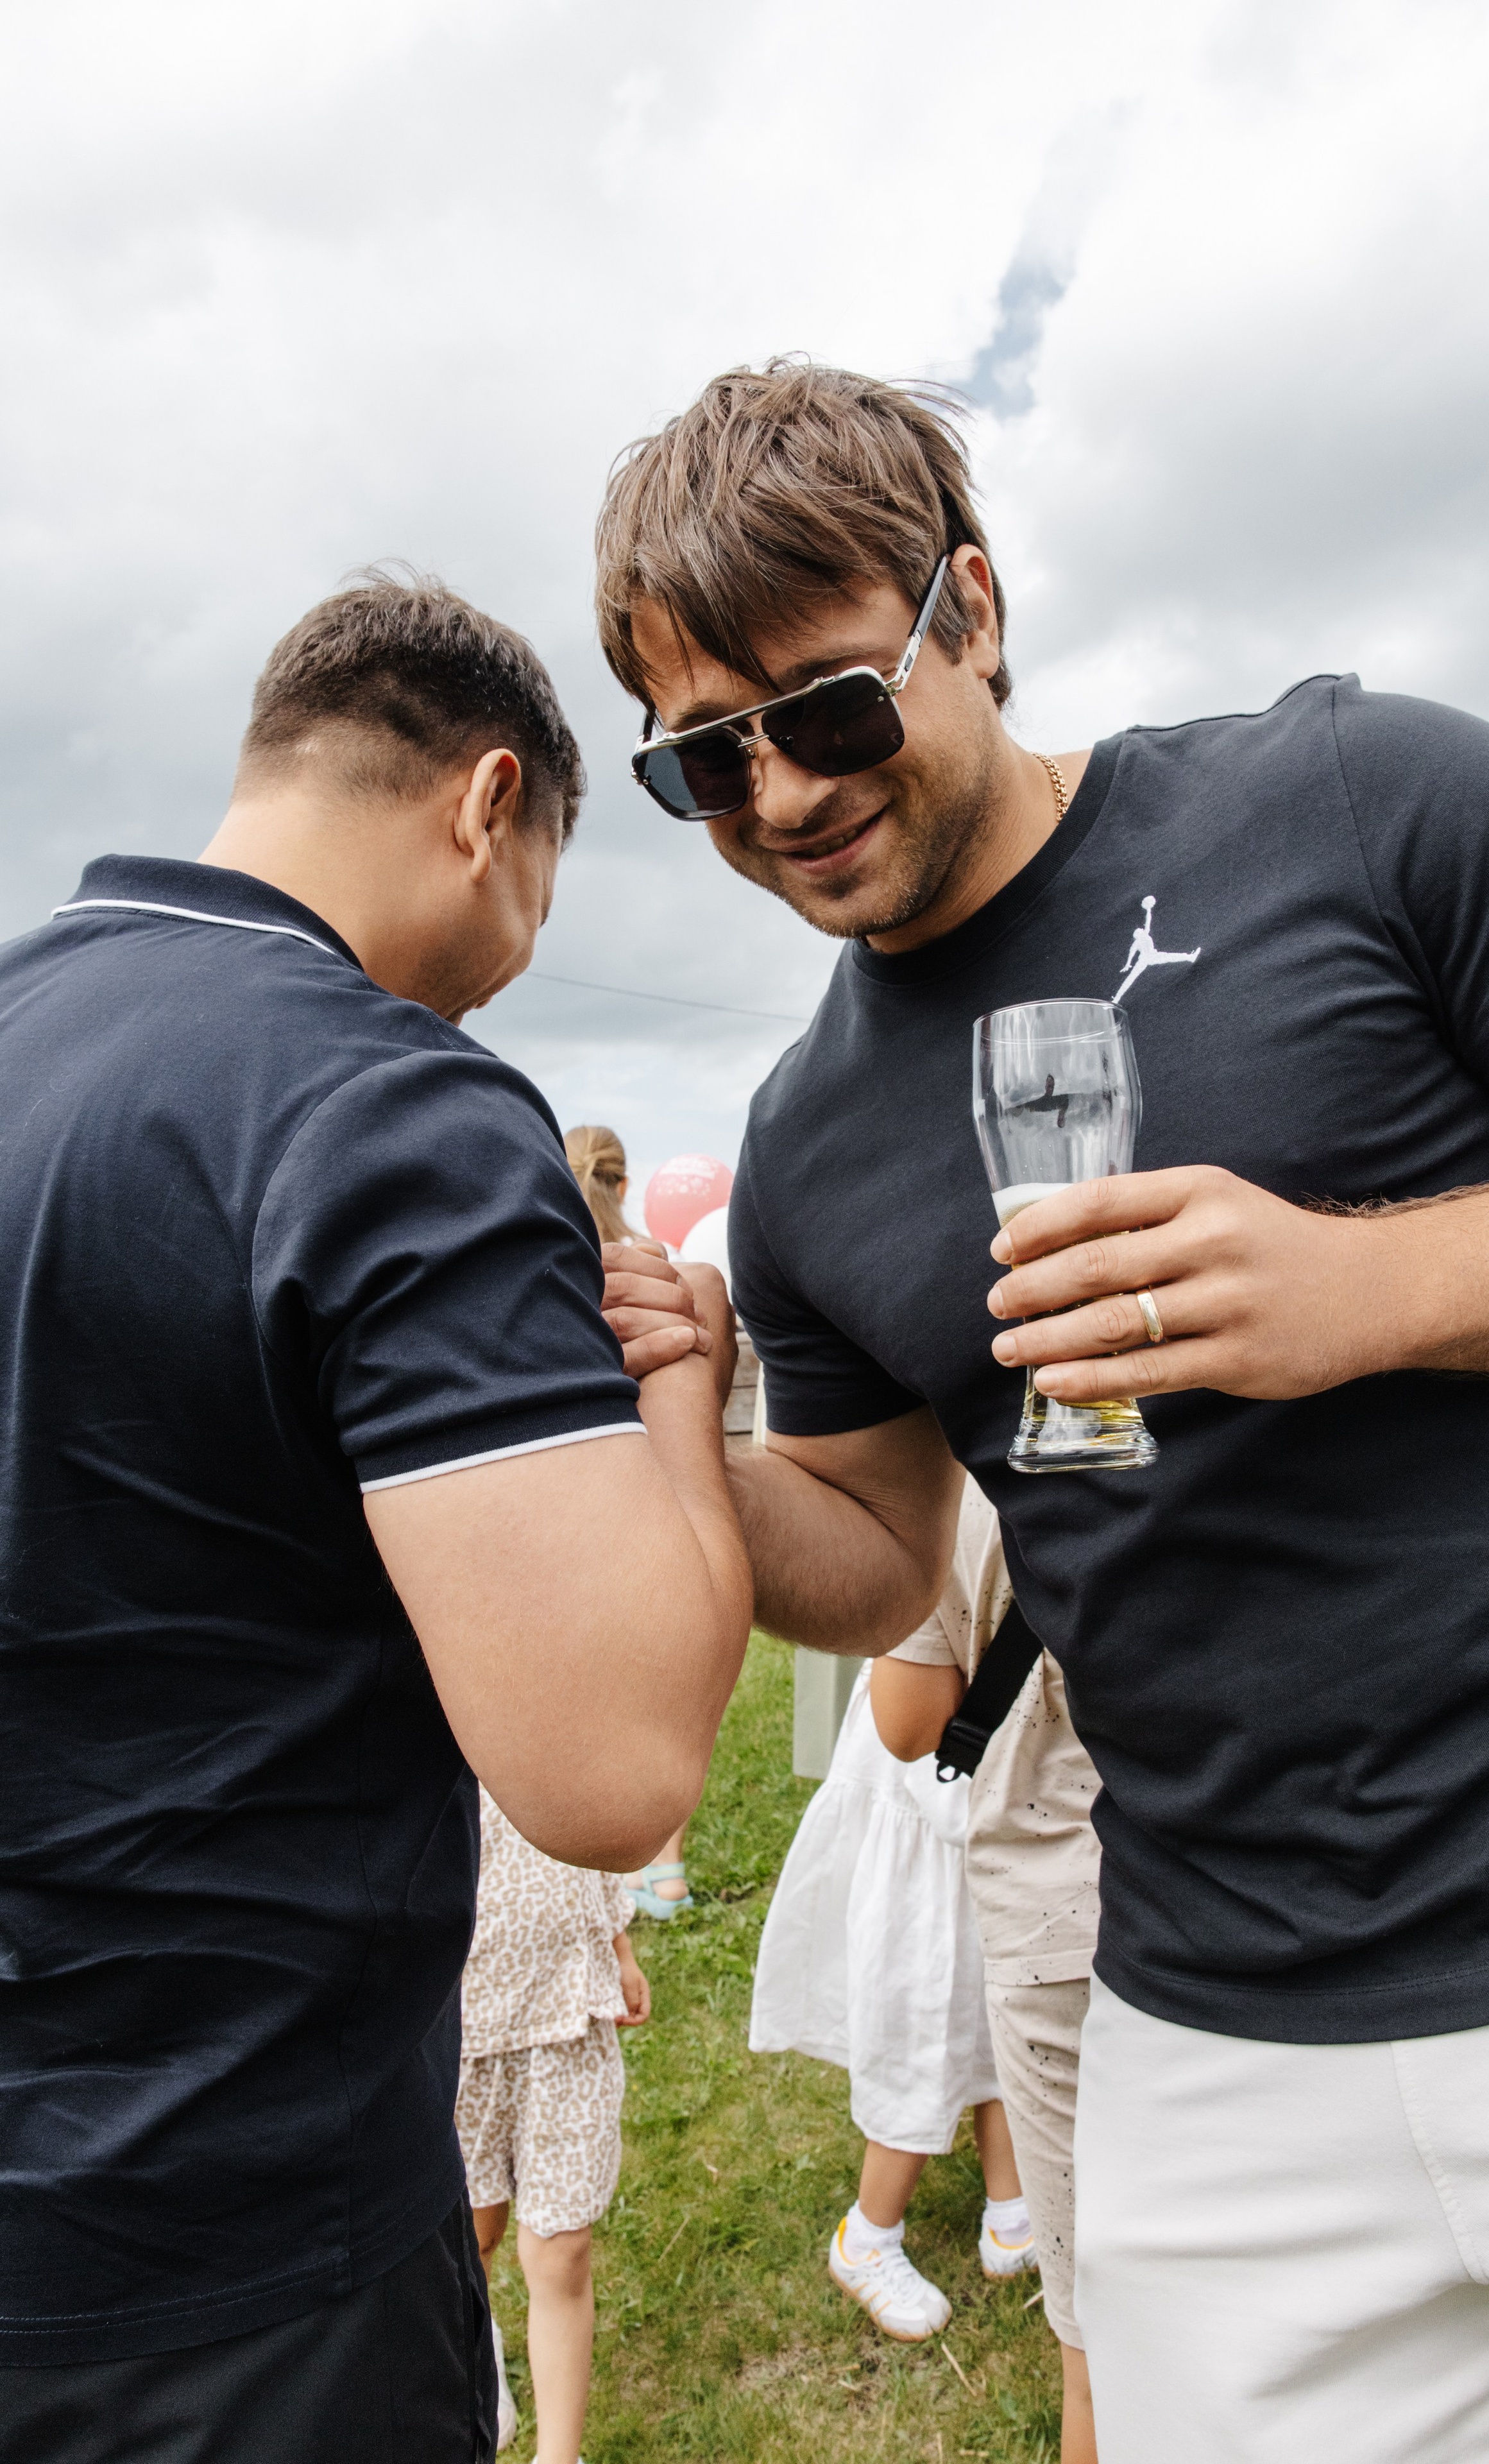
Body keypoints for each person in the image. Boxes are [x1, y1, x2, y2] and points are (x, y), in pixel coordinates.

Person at [592, 359, 1489, 2464]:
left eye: (826, 708)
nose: (782, 796)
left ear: (969, 610)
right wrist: (689, 1428)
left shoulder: (1358, 799)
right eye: (704, 763)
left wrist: (1367, 1285)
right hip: (1217, 2031)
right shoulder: (804, 1141)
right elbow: (880, 1552)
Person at [0, 573, 749, 2461]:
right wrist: (674, 1379)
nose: (505, 966)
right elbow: (613, 1768)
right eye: (537, 906)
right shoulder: (386, 1102)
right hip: (243, 2248)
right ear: (486, 805)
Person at [872, 1475, 1101, 2464]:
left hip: (1065, 1918)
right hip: (1254, 1899)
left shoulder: (961, 1481)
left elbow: (908, 1721)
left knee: (1101, 2338)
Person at [750, 1644, 1033, 2340]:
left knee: (1007, 1989)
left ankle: (1013, 2206)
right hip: (933, 1770)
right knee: (925, 2004)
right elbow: (909, 1723)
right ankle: (868, 2236)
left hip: (1007, 1774)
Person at [460, 1788, 650, 2461]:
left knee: (561, 2248)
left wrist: (619, 1945)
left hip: (569, 2015)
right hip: (460, 2023)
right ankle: (479, 2365)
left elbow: (586, 1816)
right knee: (470, 2237)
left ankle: (558, 2456)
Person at [565, 1122, 693, 1919]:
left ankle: (593, 1874)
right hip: (654, 1493)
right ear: (621, 1181)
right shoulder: (652, 1262)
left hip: (580, 1496)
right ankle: (664, 1868)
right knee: (668, 1694)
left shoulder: (552, 1257)